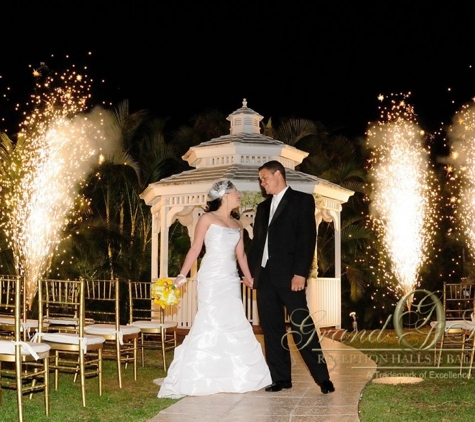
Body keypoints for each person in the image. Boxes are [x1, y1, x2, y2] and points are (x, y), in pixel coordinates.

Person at [157, 179, 271, 398]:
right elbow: (195, 248)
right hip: (210, 278)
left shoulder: (237, 225)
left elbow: (241, 255)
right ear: (225, 195)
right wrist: (182, 274)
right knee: (211, 319)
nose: (239, 195)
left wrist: (250, 278)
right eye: (236, 191)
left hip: (230, 279)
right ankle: (200, 374)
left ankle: (231, 375)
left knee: (234, 320)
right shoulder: (207, 218)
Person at [248, 160, 335, 395]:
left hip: (290, 277)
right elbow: (257, 246)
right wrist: (250, 273)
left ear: (278, 174)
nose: (262, 183)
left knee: (302, 327)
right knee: (271, 329)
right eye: (261, 180)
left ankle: (323, 378)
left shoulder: (301, 201)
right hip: (265, 277)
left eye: (264, 178)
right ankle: (280, 378)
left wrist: (300, 273)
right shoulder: (263, 208)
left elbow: (307, 240)